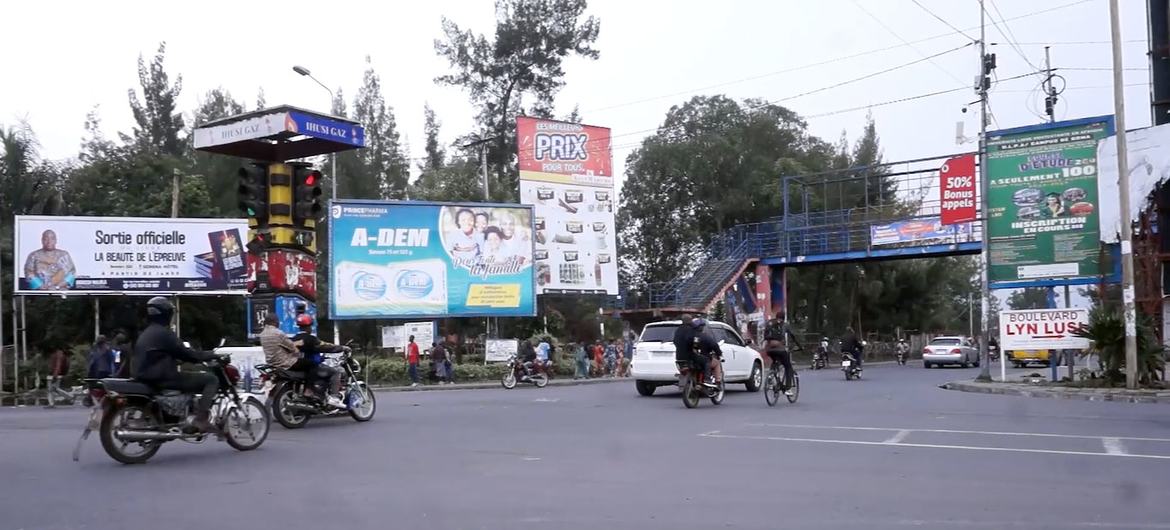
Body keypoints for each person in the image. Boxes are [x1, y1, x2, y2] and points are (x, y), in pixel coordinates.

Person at [133, 297, 219, 433]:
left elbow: (159, 355)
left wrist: (177, 359)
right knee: (211, 379)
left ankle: (186, 414)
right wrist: (209, 355)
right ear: (167, 313)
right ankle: (201, 419)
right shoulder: (164, 333)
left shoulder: (146, 333)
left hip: (146, 375)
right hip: (163, 378)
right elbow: (187, 354)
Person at [291, 314, 346, 408]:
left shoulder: (293, 339)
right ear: (309, 327)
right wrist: (342, 348)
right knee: (335, 372)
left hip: (297, 366)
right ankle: (334, 398)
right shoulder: (311, 339)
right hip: (311, 366)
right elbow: (325, 347)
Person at [764, 314, 800, 396]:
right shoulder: (785, 324)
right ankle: (788, 388)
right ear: (783, 318)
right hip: (780, 349)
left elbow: (765, 336)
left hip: (769, 350)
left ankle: (770, 378)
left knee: (775, 361)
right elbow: (793, 336)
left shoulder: (770, 323)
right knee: (788, 367)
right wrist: (799, 346)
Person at [687, 318, 723, 387]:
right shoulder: (706, 337)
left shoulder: (689, 336)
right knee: (717, 363)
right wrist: (719, 354)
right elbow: (714, 346)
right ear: (702, 327)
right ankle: (717, 382)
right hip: (702, 359)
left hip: (689, 359)